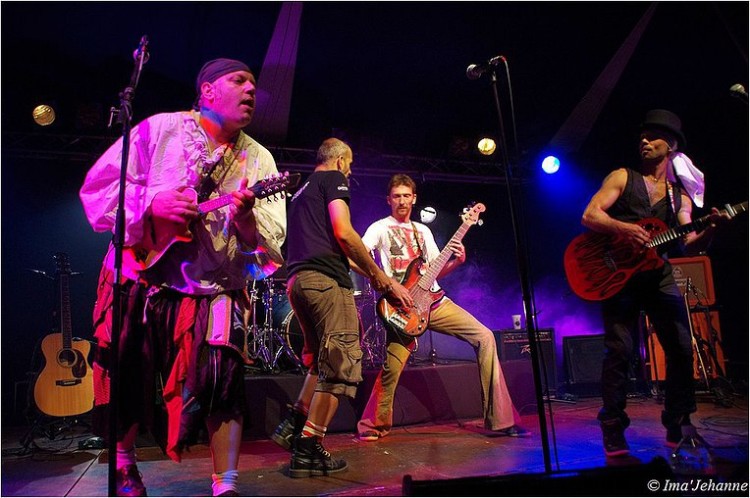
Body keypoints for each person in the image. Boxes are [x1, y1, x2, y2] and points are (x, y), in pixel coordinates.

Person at [79, 58, 286, 496]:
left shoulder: (260, 159)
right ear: (207, 90)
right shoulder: (159, 130)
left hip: (215, 285)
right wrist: (153, 202)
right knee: (128, 370)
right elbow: (99, 190)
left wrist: (246, 221)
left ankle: (226, 484)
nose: (251, 89)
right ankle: (124, 465)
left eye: (253, 84)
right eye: (239, 80)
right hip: (143, 275)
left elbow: (269, 243)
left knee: (223, 378)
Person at [580, 109, 730, 457]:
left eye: (653, 137)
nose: (644, 141)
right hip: (619, 273)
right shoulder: (622, 177)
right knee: (620, 350)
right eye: (642, 137)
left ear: (671, 145)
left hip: (658, 274)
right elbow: (590, 214)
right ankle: (613, 426)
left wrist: (710, 229)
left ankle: (679, 422)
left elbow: (688, 243)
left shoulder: (680, 196)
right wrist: (624, 228)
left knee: (681, 347)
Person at [270, 139, 412, 477]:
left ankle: (294, 424)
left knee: (322, 361)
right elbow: (345, 233)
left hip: (298, 282)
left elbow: (337, 248)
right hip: (326, 284)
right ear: (339, 160)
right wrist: (381, 278)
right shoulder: (333, 178)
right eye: (349, 163)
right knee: (341, 363)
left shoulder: (301, 192)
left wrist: (379, 279)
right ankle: (309, 446)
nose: (350, 171)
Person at [353, 174, 530, 441]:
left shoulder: (422, 231)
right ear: (388, 199)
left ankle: (501, 420)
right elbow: (357, 257)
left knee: (485, 336)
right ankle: (372, 425)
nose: (402, 201)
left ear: (414, 198)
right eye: (397, 196)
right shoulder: (379, 228)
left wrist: (457, 262)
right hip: (403, 307)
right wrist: (386, 284)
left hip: (435, 303)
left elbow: (435, 271)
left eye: (406, 196)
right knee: (391, 369)